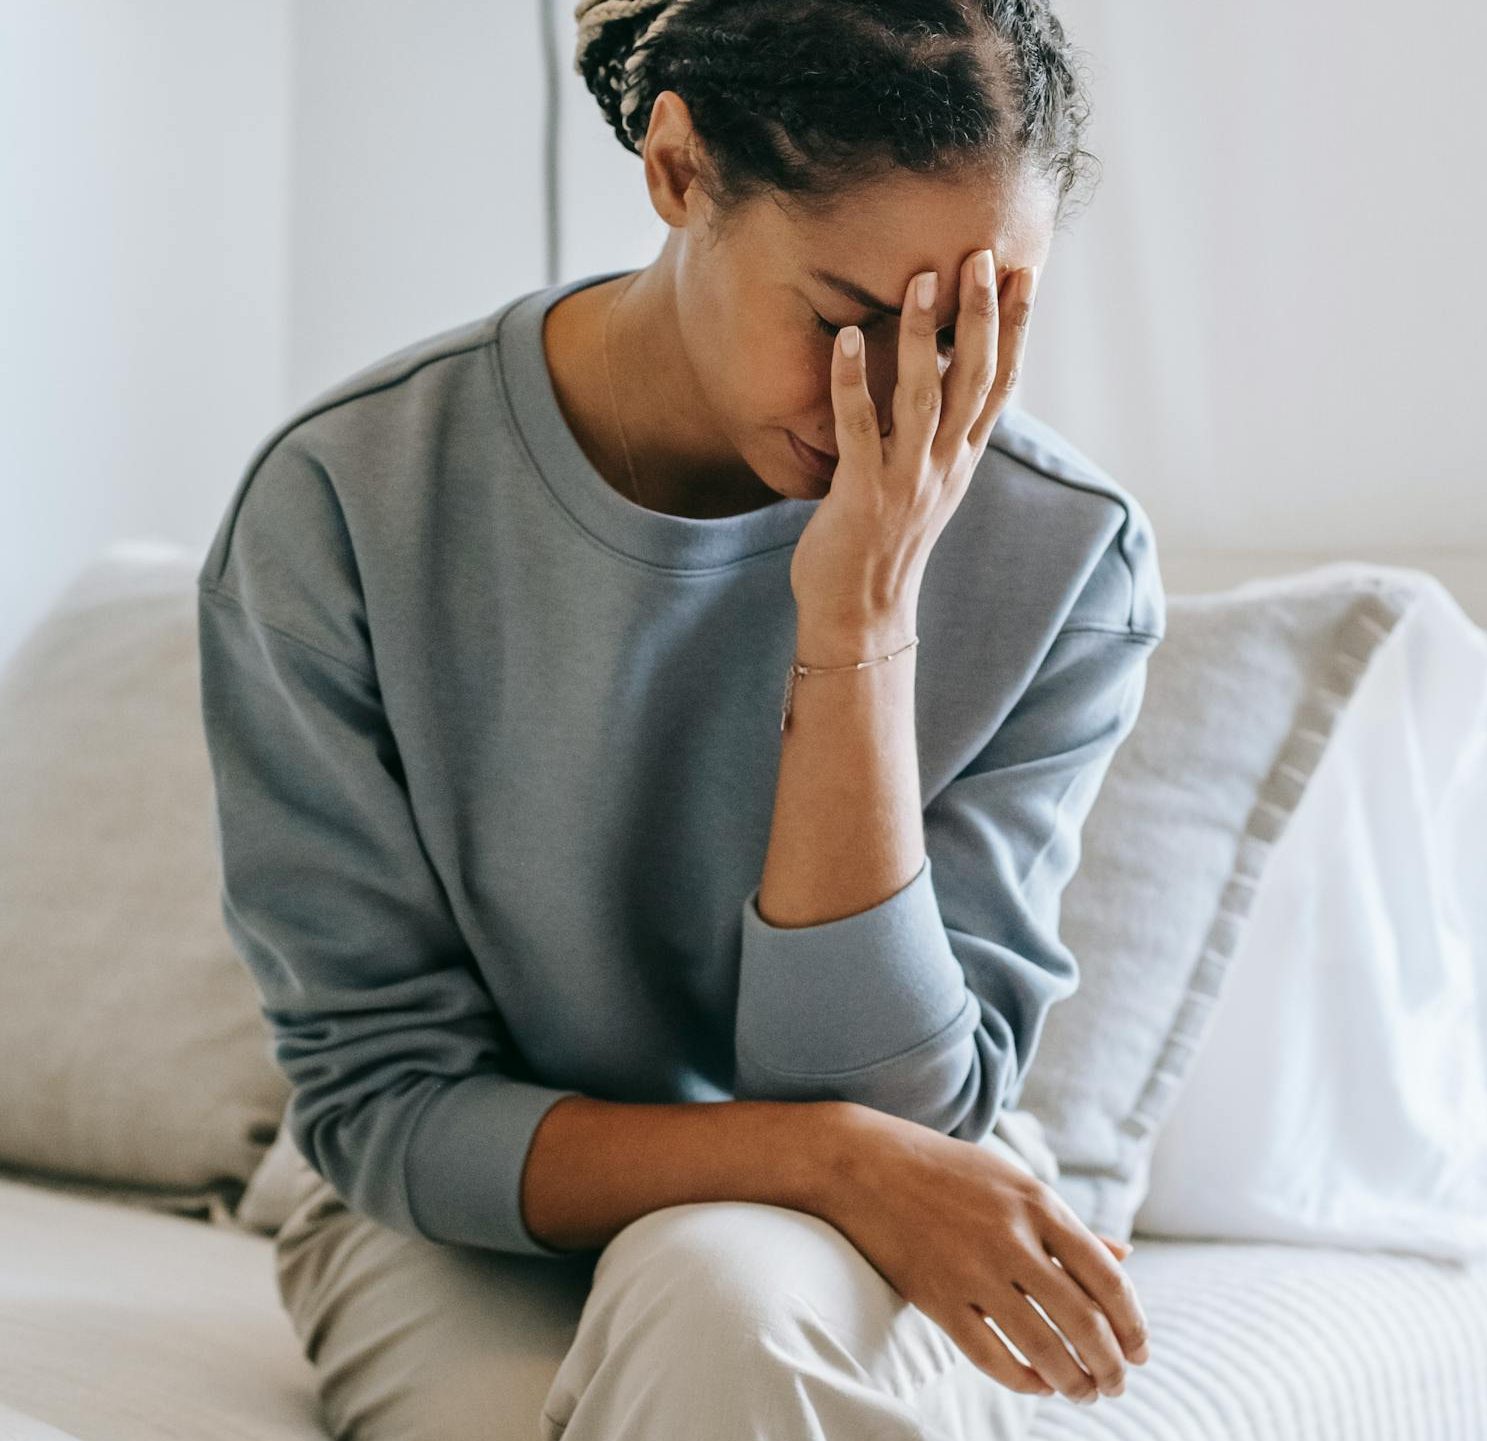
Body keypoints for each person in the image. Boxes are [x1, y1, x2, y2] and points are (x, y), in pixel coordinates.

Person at [196, 0, 1165, 1436]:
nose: (904, 404)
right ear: (677, 168)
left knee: (719, 1307)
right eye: (850, 321)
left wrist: (861, 625)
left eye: (968, 334)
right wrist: (817, 1156)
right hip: (466, 1212)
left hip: (881, 1192)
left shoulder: (1064, 556)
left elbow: (898, 1110)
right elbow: (385, 1100)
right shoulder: (346, 504)